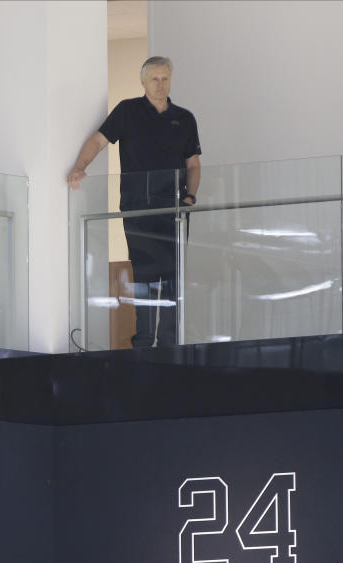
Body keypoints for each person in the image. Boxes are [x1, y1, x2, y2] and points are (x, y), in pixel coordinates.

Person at [68, 56, 201, 348]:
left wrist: (189, 198)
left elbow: (193, 164)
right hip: (138, 207)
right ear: (143, 81)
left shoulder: (184, 118)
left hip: (174, 210)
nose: (160, 83)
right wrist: (80, 166)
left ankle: (169, 344)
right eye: (154, 78)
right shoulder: (128, 111)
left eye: (165, 78)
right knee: (142, 272)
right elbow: (98, 141)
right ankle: (142, 344)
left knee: (172, 276)